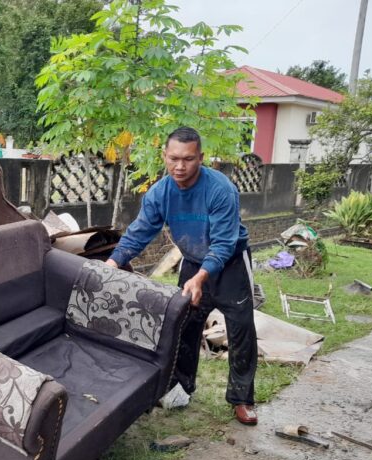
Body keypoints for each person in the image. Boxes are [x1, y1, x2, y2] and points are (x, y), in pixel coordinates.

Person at [105, 127, 258, 426]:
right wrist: (112, 262)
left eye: (188, 159)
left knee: (241, 329)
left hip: (231, 264)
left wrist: (202, 277)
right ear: (164, 156)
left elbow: (224, 242)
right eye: (173, 158)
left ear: (201, 157)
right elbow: (139, 233)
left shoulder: (221, 189)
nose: (180, 166)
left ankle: (242, 399)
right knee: (185, 326)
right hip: (192, 261)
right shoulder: (160, 192)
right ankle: (182, 388)